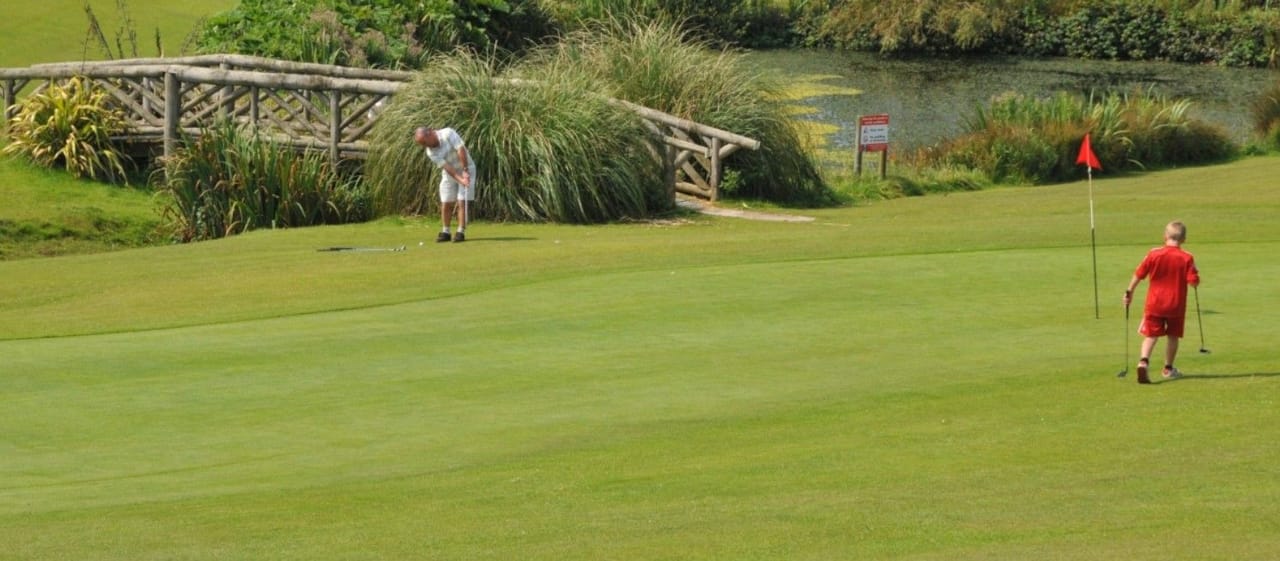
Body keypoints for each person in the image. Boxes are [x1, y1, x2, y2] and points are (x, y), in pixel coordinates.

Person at [1123, 221, 1200, 384]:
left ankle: (1143, 361)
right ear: (1184, 239)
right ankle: (1168, 368)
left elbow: (1139, 274)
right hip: (1176, 305)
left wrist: (1129, 291)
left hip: (1154, 303)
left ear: (1165, 236)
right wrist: (1195, 278)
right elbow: (1193, 282)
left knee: (1150, 336)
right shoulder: (1187, 257)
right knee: (1173, 336)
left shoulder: (1153, 254)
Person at [414, 126, 475, 243]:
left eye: (425, 142)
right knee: (446, 202)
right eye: (422, 144)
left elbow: (460, 149)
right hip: (450, 173)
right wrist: (460, 179)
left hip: (467, 167)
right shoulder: (430, 152)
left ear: (430, 133)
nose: (425, 146)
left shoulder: (448, 133)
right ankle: (446, 232)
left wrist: (465, 171)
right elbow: (447, 167)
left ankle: (460, 232)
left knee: (461, 200)